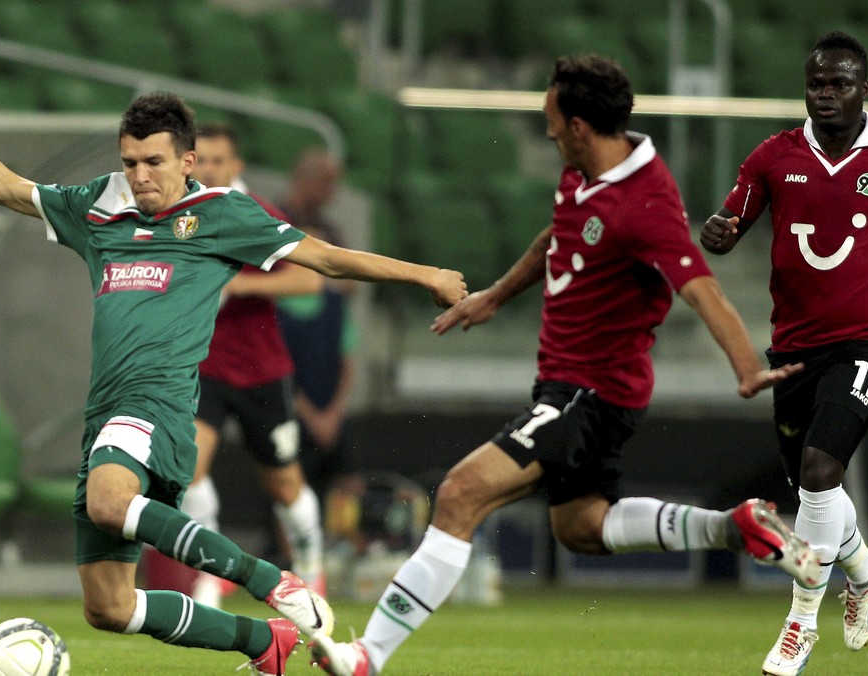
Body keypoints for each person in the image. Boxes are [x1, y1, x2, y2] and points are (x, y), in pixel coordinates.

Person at [0, 82, 466, 675]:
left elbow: (327, 258)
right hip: (106, 418)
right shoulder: (100, 205)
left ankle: (267, 579)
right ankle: (266, 643)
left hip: (159, 407)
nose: (140, 175)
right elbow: (3, 185)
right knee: (109, 607)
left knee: (108, 501)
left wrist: (426, 275)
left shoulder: (223, 214)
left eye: (154, 161)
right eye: (130, 161)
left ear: (188, 160)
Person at [310, 54, 818, 676]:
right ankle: (734, 527)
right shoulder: (581, 173)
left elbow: (702, 289)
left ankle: (368, 656)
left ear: (578, 125)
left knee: (461, 493)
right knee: (581, 526)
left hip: (592, 391)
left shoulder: (647, 203)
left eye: (551, 118)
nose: (545, 130)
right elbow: (558, 234)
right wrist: (496, 294)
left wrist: (745, 367)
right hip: (569, 384)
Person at [699, 31, 868, 676]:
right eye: (817, 82)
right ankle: (867, 571)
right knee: (812, 486)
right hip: (793, 346)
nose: (826, 94)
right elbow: (731, 224)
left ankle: (798, 626)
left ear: (864, 89)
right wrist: (719, 232)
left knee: (820, 470)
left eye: (840, 83)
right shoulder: (772, 155)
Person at [144, 122, 328, 608]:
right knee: (186, 470)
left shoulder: (255, 214)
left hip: (262, 372)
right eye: (199, 161)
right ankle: (216, 570)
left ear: (236, 167)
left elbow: (309, 282)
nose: (207, 170)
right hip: (203, 369)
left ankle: (311, 567)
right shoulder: (179, 214)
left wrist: (241, 286)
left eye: (218, 161)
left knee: (284, 484)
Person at [275, 148, 358, 508]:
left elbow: (349, 282)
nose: (332, 193)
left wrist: (332, 414)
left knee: (346, 484)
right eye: (326, 184)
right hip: (290, 399)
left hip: (328, 402)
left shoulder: (331, 231)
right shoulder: (275, 222)